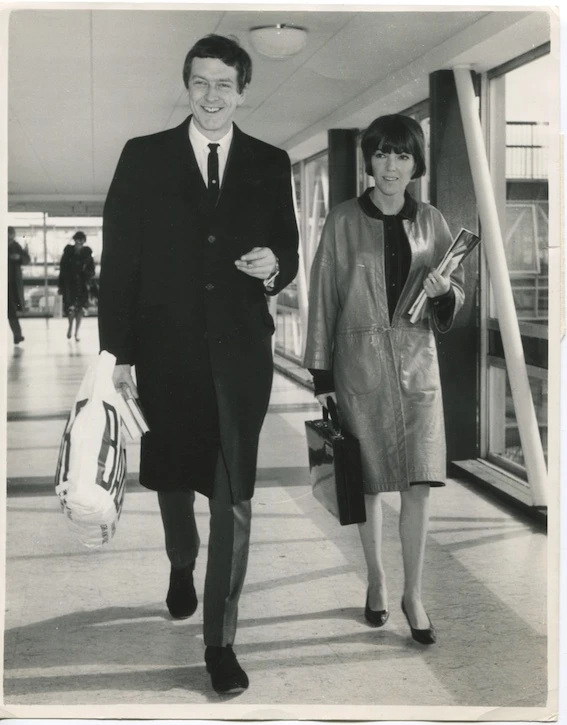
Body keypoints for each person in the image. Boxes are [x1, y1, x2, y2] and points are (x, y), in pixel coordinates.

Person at [98, 34, 298, 694]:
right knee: (175, 478)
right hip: (166, 357)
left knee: (233, 498)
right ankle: (181, 560)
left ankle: (220, 643)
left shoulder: (270, 162)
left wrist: (274, 267)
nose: (211, 96)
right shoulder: (144, 157)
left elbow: (288, 249)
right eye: (200, 82)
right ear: (187, 86)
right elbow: (118, 262)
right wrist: (117, 353)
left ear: (243, 92)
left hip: (240, 360)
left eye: (224, 84)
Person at [303, 114, 465, 645]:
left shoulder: (432, 220)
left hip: (418, 367)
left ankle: (413, 594)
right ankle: (376, 580)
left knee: (420, 483)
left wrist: (444, 292)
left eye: (402, 155)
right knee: (367, 481)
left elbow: (456, 290)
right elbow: (324, 295)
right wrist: (321, 373)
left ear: (416, 163)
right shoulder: (343, 220)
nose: (391, 167)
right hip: (360, 366)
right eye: (381, 154)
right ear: (368, 161)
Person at [57, 231, 95, 341]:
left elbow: (92, 271)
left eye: (81, 240)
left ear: (84, 241)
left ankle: (76, 332)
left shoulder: (88, 255)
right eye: (77, 240)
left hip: (82, 285)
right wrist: (61, 285)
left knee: (80, 309)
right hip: (70, 285)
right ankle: (70, 327)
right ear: (74, 240)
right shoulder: (68, 253)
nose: (79, 242)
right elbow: (62, 270)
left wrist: (86, 273)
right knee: (71, 308)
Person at [7, 226, 30, 345]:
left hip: (11, 283)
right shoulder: (14, 246)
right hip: (10, 282)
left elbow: (26, 259)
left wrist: (20, 257)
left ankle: (17, 335)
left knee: (11, 310)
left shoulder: (16, 246)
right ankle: (17, 335)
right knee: (11, 311)